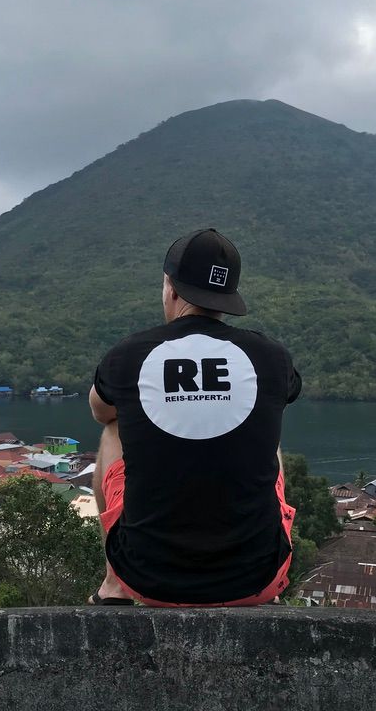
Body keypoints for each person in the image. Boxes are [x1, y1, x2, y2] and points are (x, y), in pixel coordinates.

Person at [88, 228, 302, 606]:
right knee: (266, 429)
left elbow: (100, 411)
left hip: (144, 579)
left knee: (113, 428)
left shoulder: (127, 355)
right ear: (228, 296)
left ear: (170, 288)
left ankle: (112, 584)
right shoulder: (271, 357)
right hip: (257, 581)